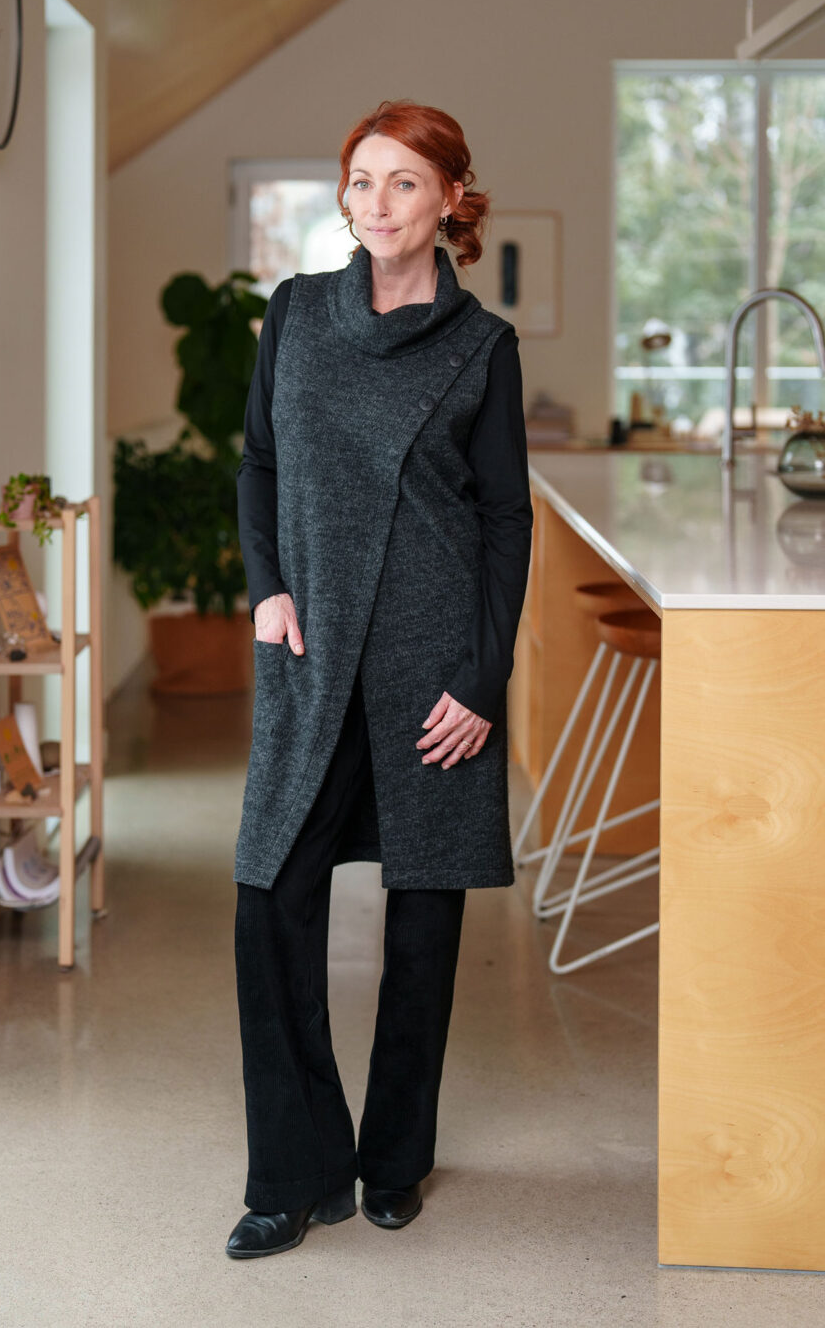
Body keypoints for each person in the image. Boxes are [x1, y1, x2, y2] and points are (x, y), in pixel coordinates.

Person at [227, 99, 533, 1260]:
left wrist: (483, 675)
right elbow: (259, 464)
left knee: (422, 920)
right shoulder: (294, 315)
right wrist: (267, 585)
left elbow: (505, 519)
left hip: (429, 658)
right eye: (362, 181)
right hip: (308, 647)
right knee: (270, 898)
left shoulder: (481, 347)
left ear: (452, 199)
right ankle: (294, 1170)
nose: (377, 204)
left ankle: (395, 1158)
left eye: (405, 183)